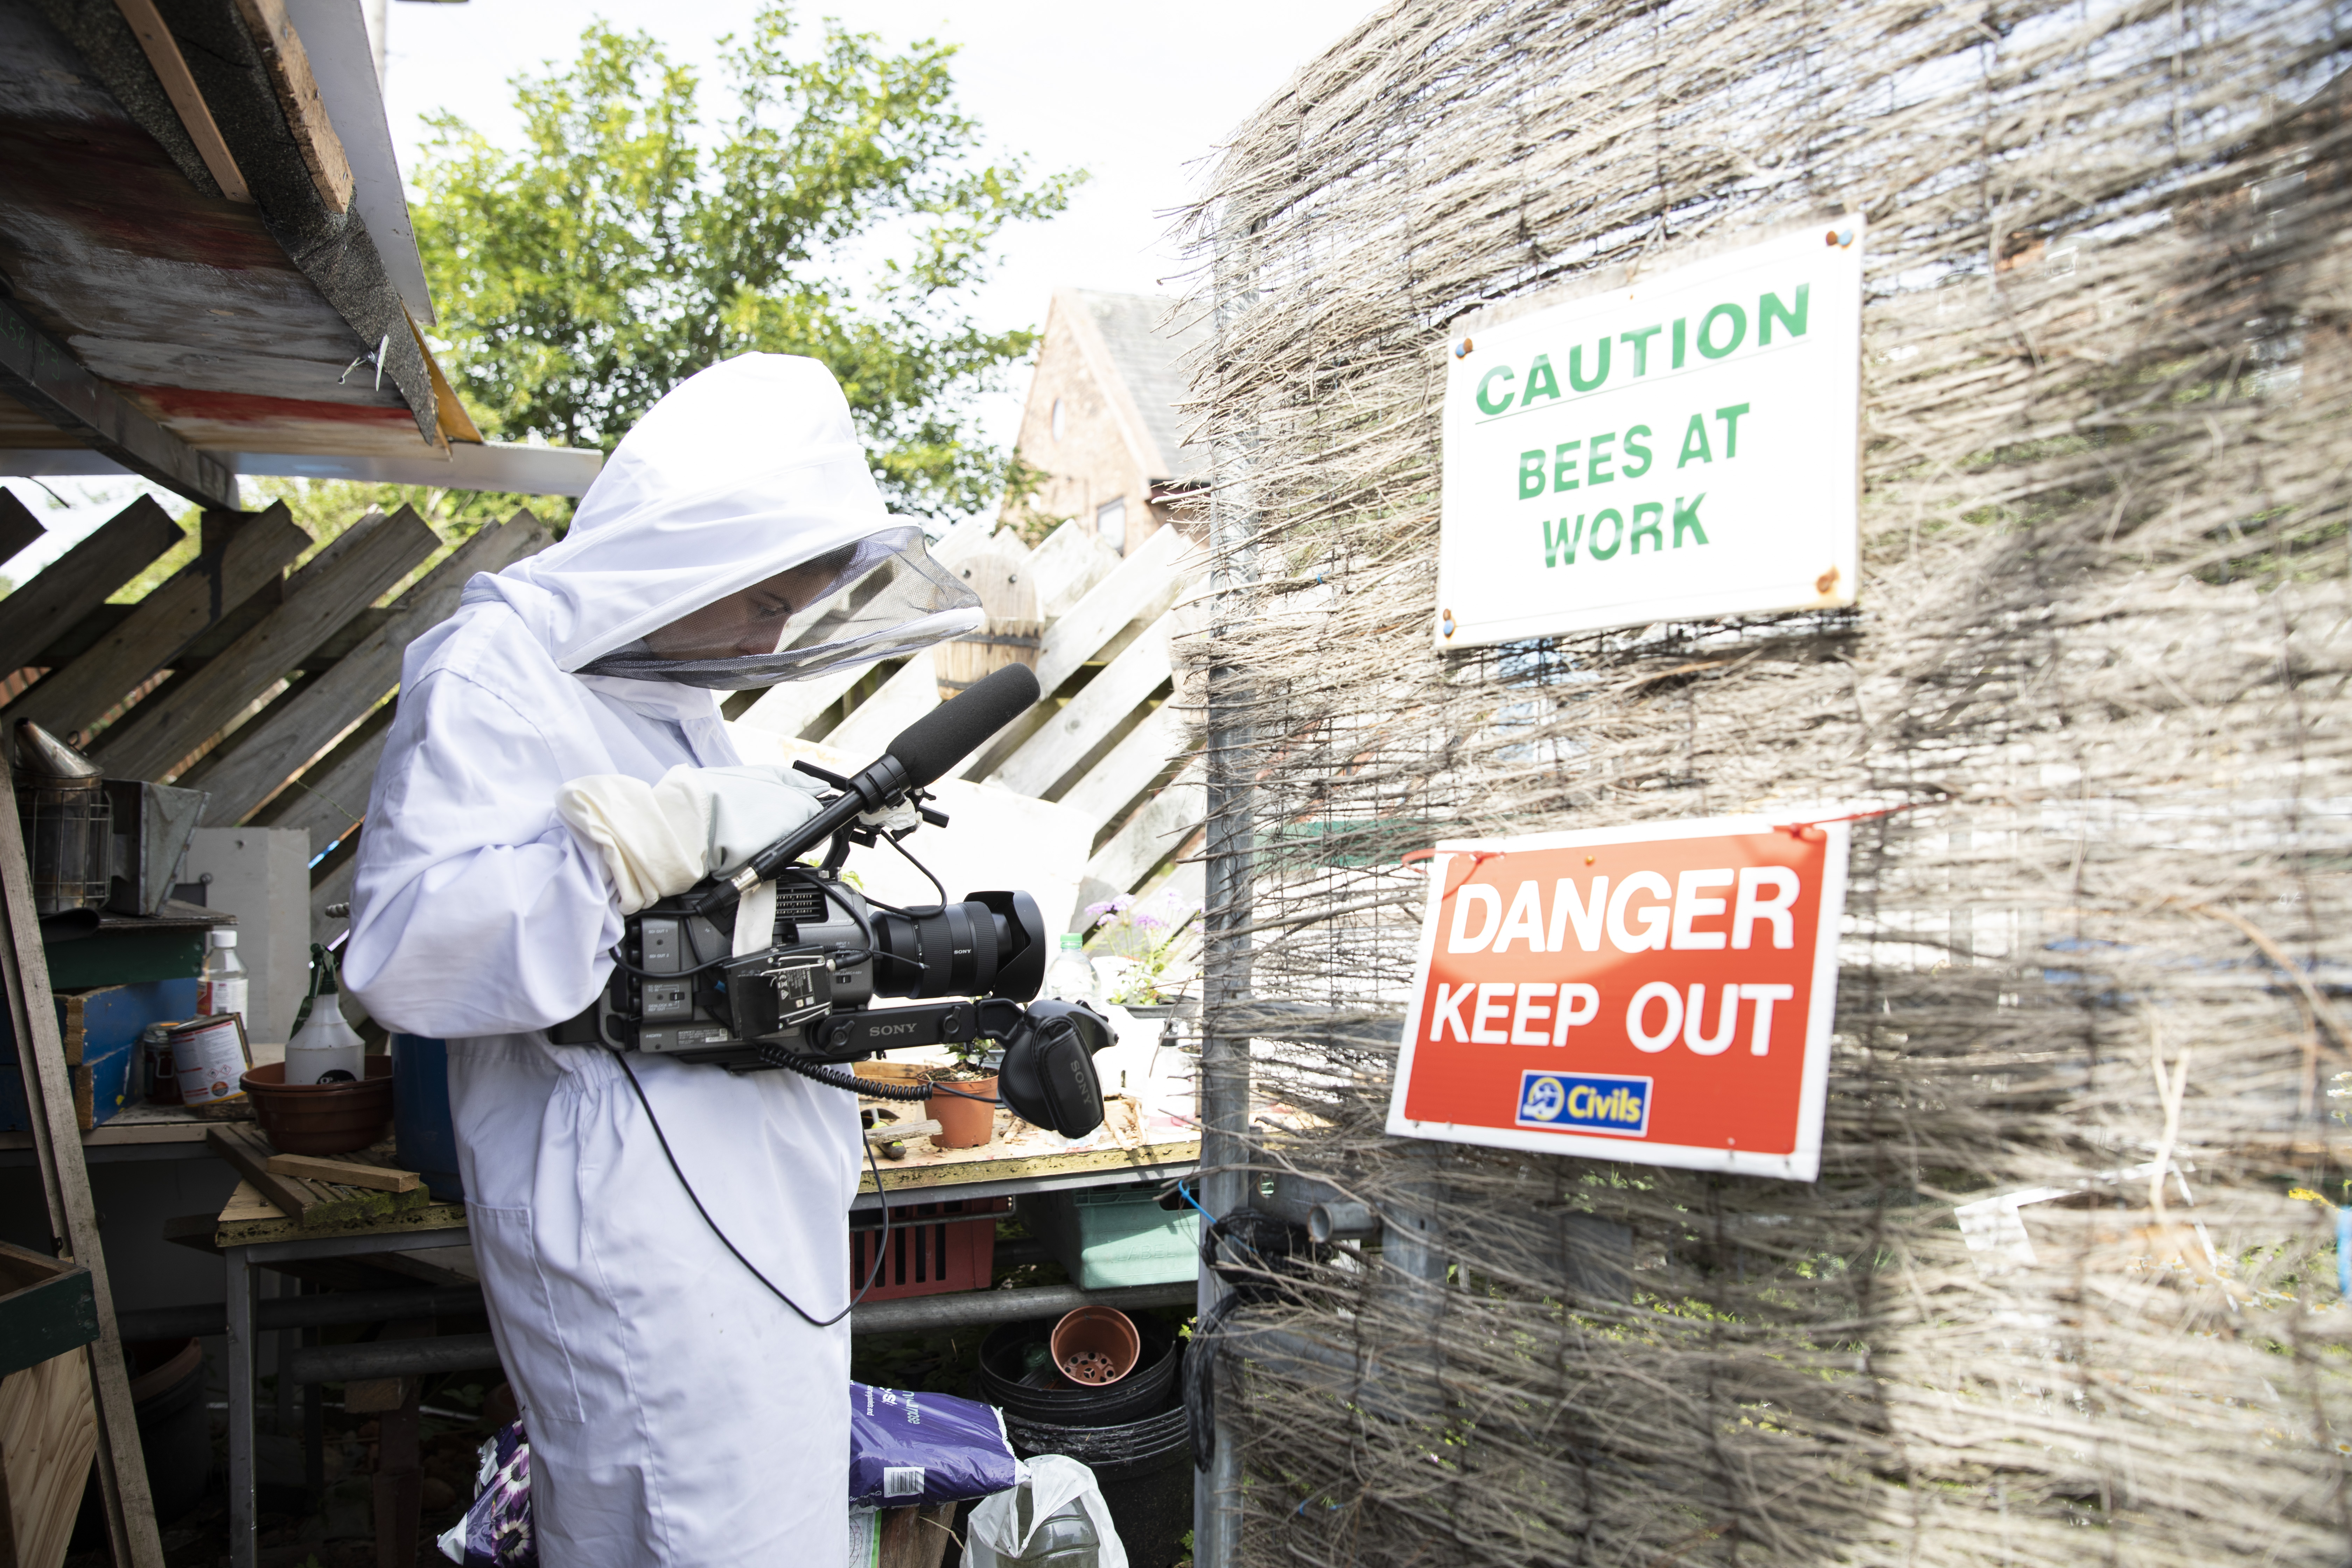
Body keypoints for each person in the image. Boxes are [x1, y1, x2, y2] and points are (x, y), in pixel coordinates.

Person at [343, 355, 982, 1567]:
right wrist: (629, 850)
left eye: (790, 607)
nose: (772, 633)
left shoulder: (665, 689)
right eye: (763, 601)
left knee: (775, 1526)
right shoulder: (494, 673)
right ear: (684, 555)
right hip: (636, 1240)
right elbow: (408, 952)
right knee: (672, 1534)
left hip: (748, 1236)